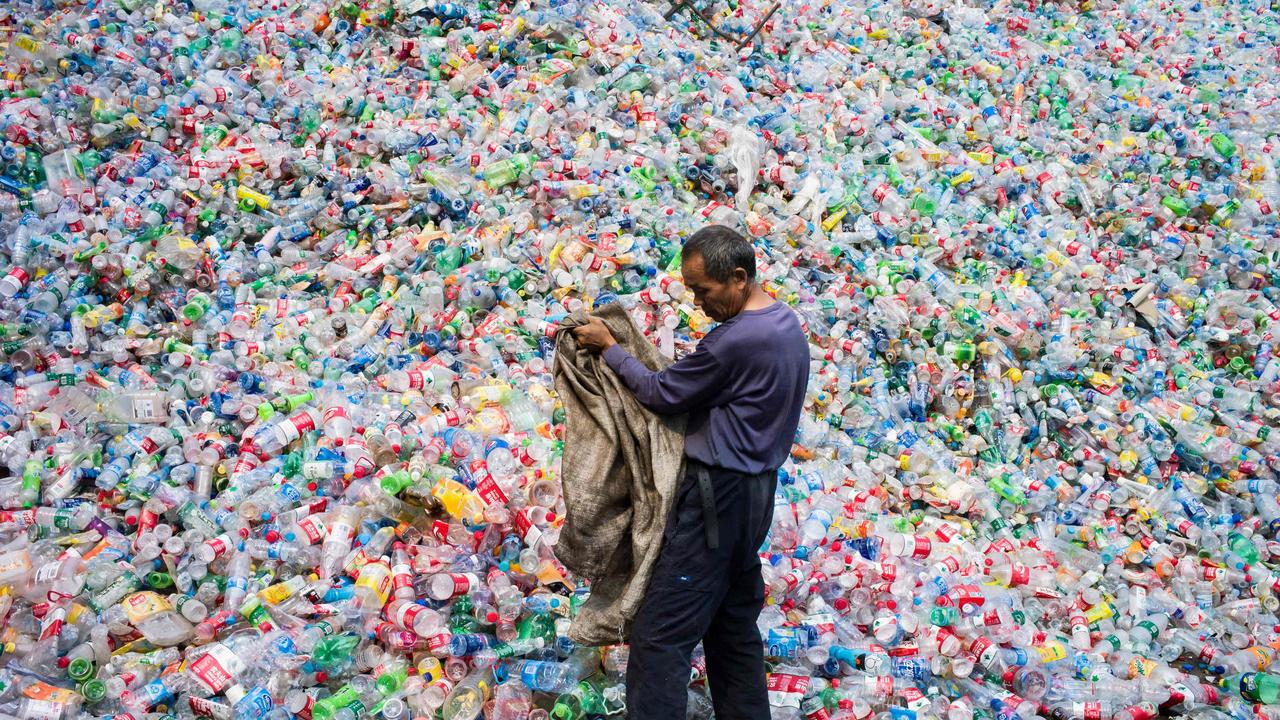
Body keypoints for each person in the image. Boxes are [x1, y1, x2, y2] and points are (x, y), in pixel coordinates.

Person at [571, 224, 810, 719]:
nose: (699, 303)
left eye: (704, 290)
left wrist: (610, 348)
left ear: (738, 277)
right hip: (756, 498)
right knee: (732, 630)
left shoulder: (736, 340)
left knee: (661, 637)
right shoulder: (785, 324)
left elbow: (662, 393)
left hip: (714, 504)